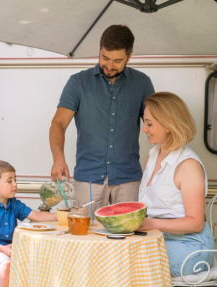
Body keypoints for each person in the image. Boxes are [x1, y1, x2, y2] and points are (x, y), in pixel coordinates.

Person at [50, 25, 155, 209]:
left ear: (129, 56)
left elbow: (156, 125)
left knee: (128, 235)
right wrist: (58, 158)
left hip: (128, 178)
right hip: (88, 178)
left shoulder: (143, 83)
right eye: (105, 58)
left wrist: (159, 163)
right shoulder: (77, 82)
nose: (109, 65)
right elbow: (58, 123)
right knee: (84, 235)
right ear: (99, 50)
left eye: (117, 61)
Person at [138, 92, 215, 277]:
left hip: (191, 246)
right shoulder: (154, 154)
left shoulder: (188, 165)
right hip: (160, 238)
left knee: (129, 263)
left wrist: (148, 223)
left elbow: (196, 223)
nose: (143, 129)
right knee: (117, 255)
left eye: (149, 124)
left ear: (168, 125)